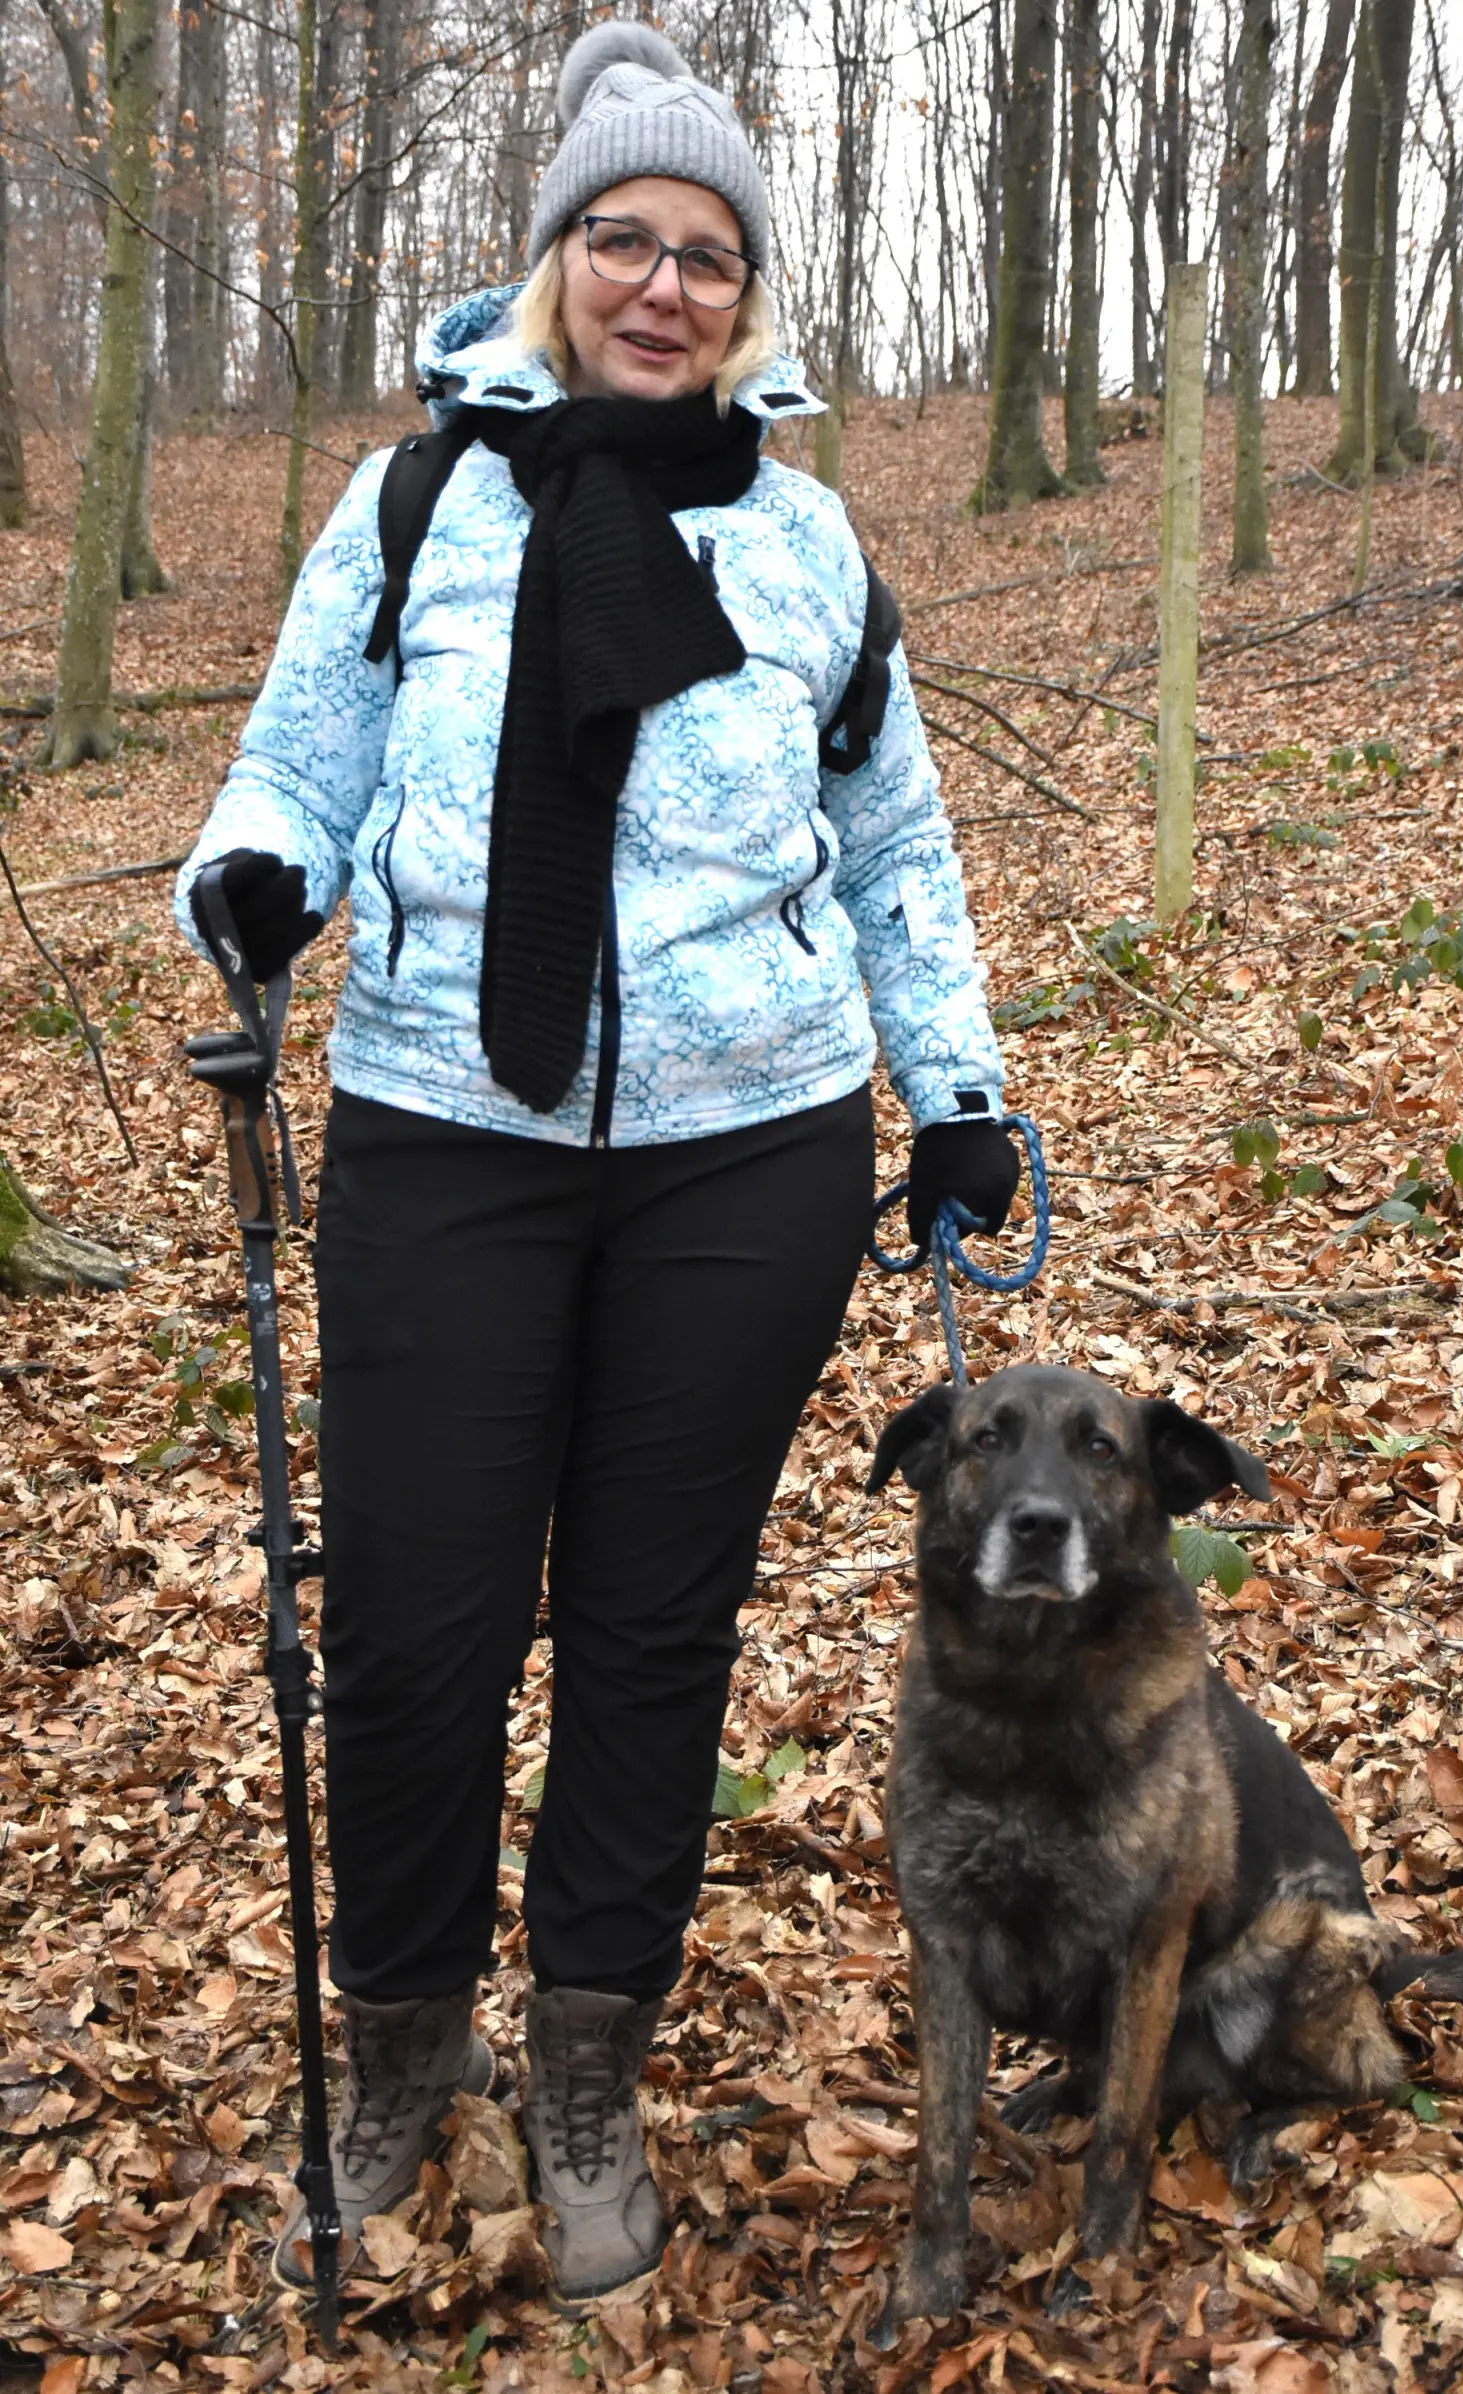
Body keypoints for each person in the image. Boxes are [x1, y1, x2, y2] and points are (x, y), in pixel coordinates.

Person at [177, 21, 1017, 2310]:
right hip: (446, 1130)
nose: (664, 287)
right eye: (624, 241)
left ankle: (582, 2067)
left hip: (744, 1154)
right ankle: (398, 2046)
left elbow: (891, 841)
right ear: (549, 257)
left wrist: (950, 1085)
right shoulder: (418, 503)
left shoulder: (811, 536)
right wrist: (253, 884)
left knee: (655, 1633)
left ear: (750, 301)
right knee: (421, 1632)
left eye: (710, 259)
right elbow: (296, 763)